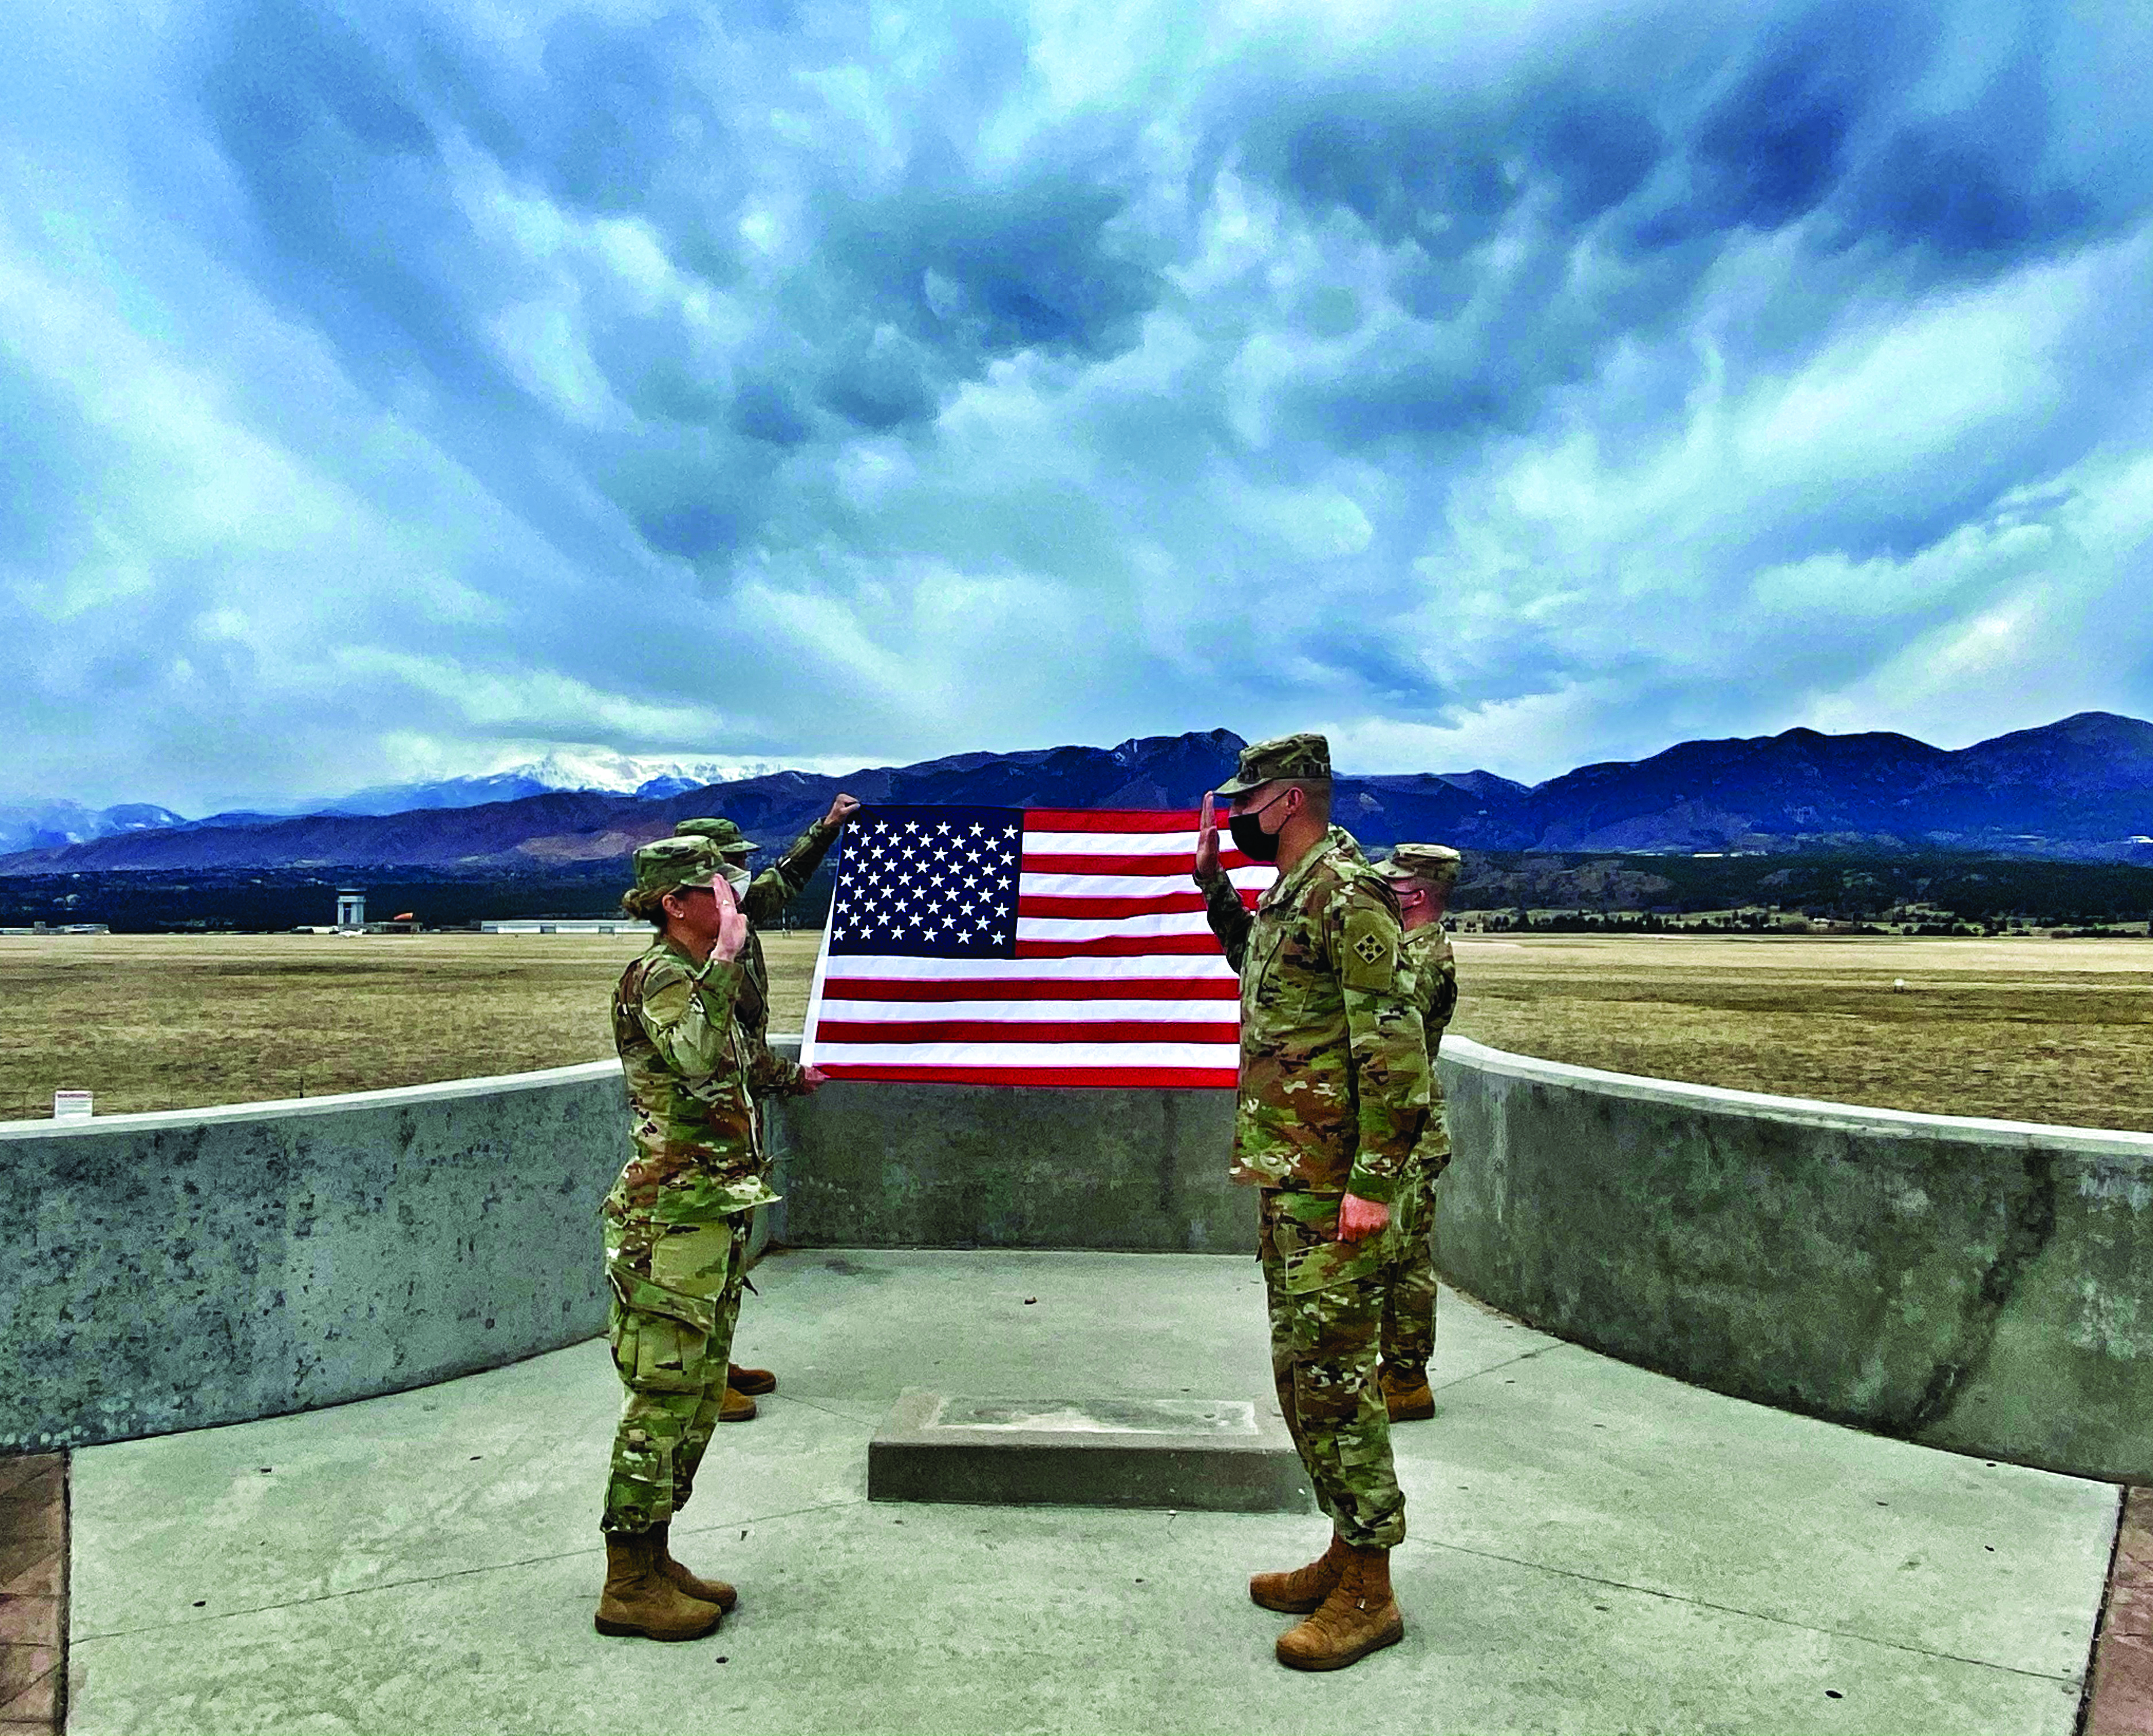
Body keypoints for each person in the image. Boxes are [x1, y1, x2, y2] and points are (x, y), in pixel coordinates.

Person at [1192, 733, 1430, 1672]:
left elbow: (1393, 1043)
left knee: (1335, 1382)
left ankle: (1370, 1589)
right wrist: (1215, 889)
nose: (1236, 817)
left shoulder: (1348, 892)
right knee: (1302, 1375)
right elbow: (1265, 973)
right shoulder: (1294, 894)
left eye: (1245, 805)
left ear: (1288, 800)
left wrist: (1374, 1183)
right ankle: (1343, 1546)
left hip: (1336, 1190)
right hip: (1294, 1178)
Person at [593, 838, 791, 1641]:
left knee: (699, 1396)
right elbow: (695, 1051)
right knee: (662, 1397)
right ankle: (626, 1581)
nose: (734, 902)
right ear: (676, 903)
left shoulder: (696, 973)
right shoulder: (661, 975)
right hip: (668, 1218)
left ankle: (656, 1555)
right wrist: (727, 963)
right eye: (719, 889)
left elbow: (733, 1059)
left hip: (708, 1209)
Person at [670, 795, 859, 1417]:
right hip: (694, 1136)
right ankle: (696, 1382)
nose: (740, 880)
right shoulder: (687, 960)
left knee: (727, 1253)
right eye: (728, 869)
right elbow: (718, 1052)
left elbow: (786, 880)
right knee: (696, 1262)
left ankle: (717, 1361)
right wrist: (785, 1075)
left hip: (731, 1122)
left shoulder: (730, 922)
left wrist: (827, 830)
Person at [1370, 844, 1462, 1422]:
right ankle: (1399, 1370)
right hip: (1406, 1127)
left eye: (1395, 883)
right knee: (1400, 1258)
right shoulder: (1410, 951)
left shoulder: (1425, 962)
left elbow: (1392, 1038)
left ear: (1419, 893)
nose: (1386, 890)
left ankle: (1406, 1377)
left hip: (1409, 1131)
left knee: (1403, 1263)